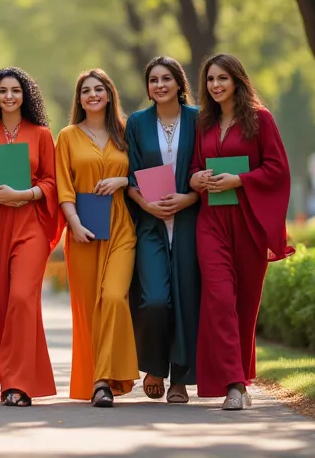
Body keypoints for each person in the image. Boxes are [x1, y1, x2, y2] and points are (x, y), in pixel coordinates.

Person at [189, 53, 292, 410]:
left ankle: (242, 381)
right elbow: (194, 168)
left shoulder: (260, 120)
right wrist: (196, 178)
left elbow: (278, 169)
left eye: (222, 78)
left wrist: (240, 180)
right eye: (210, 80)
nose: (215, 86)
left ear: (237, 81)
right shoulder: (204, 123)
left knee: (245, 304)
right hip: (212, 222)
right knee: (218, 298)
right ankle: (233, 384)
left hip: (248, 221)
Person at [0, 67, 60, 407]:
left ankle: (18, 384)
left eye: (16, 90)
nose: (9, 96)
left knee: (22, 298)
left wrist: (26, 194)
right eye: (3, 91)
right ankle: (12, 380)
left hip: (30, 225)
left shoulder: (40, 134)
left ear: (26, 95)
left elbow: (52, 182)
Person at [55, 69, 138, 407]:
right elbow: (63, 185)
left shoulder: (126, 132)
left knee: (115, 298)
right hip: (83, 231)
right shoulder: (68, 136)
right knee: (91, 307)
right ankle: (99, 382)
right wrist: (73, 223)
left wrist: (122, 181)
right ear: (79, 99)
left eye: (98, 89)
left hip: (120, 227)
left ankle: (106, 377)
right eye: (86, 90)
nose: (92, 94)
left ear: (109, 94)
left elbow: (143, 173)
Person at [125, 56, 201, 404]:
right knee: (154, 298)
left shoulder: (198, 118)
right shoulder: (138, 123)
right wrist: (147, 205)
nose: (159, 85)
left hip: (188, 220)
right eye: (153, 80)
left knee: (186, 299)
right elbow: (131, 175)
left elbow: (207, 163)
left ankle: (179, 379)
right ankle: (154, 366)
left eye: (166, 78)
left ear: (178, 83)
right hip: (151, 222)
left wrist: (188, 199)